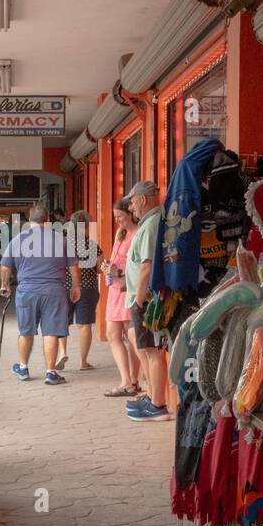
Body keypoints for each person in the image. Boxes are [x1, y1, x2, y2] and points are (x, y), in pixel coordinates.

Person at [0, 201, 81, 385]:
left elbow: (5, 266)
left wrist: (5, 285)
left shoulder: (18, 239)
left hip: (27, 291)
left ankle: (23, 367)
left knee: (26, 331)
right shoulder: (61, 239)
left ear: (29, 220)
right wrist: (76, 287)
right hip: (55, 292)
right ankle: (50, 372)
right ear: (48, 220)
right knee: (51, 332)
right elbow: (74, 267)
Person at [124, 180, 171, 421]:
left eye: (132, 201)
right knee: (148, 350)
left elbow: (146, 267)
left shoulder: (152, 224)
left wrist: (139, 301)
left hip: (147, 300)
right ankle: (153, 398)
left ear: (143, 199)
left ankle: (158, 405)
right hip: (145, 298)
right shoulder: (150, 223)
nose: (131, 207)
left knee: (153, 352)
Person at [101, 197, 142, 397]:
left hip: (129, 288)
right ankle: (126, 380)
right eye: (115, 217)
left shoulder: (138, 234)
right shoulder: (121, 233)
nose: (118, 220)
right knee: (112, 334)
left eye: (120, 216)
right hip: (115, 289)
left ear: (131, 213)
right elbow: (116, 259)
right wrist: (108, 266)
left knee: (130, 336)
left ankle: (133, 380)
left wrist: (119, 270)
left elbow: (140, 265)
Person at [67, 209, 101, 370]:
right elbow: (101, 268)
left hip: (65, 287)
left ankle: (61, 354)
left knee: (61, 322)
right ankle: (83, 362)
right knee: (84, 325)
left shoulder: (63, 244)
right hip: (87, 288)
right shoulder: (92, 246)